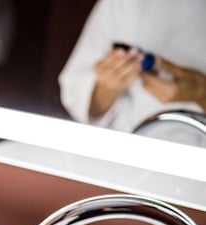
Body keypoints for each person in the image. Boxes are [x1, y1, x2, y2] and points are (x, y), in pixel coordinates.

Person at [58, 0, 206, 139]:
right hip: (129, 146)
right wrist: (107, 86)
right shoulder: (122, 4)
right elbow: (79, 97)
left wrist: (201, 92)